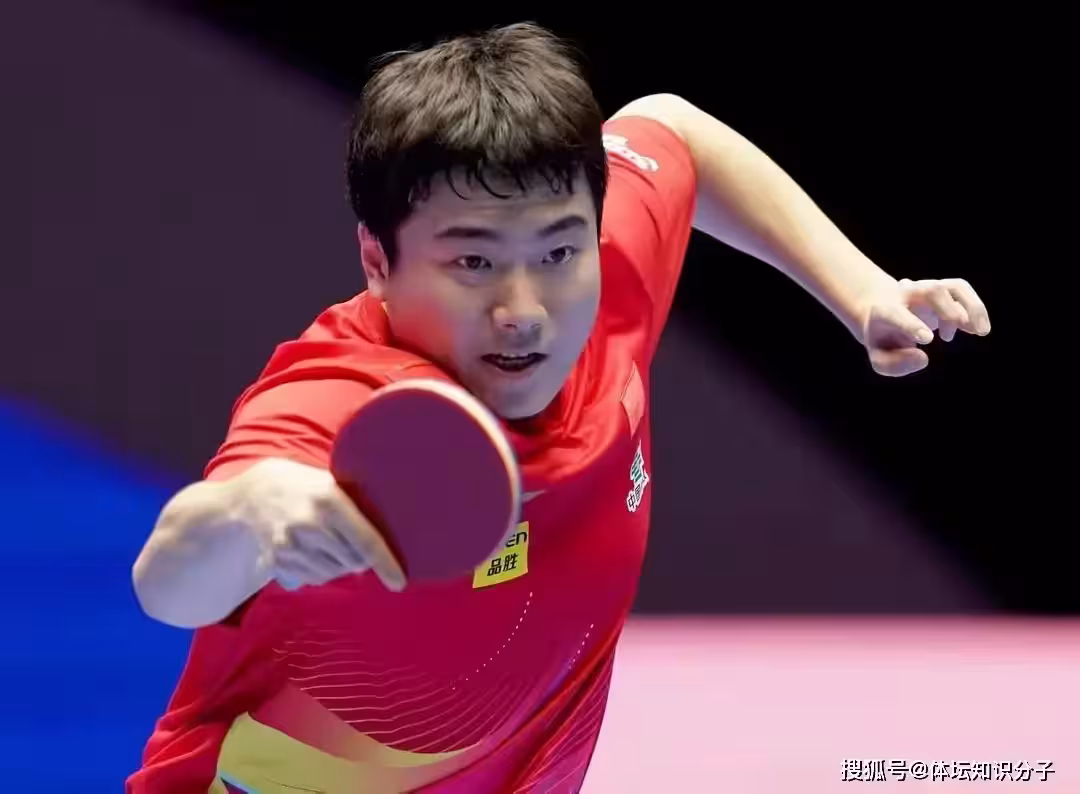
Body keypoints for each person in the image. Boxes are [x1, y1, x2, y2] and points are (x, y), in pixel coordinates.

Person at [127, 22, 991, 794]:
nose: (525, 310)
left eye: (558, 252)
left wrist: (862, 291)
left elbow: (674, 129)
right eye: (472, 263)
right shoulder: (341, 402)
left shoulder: (605, 287)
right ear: (377, 260)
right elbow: (167, 584)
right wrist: (250, 508)